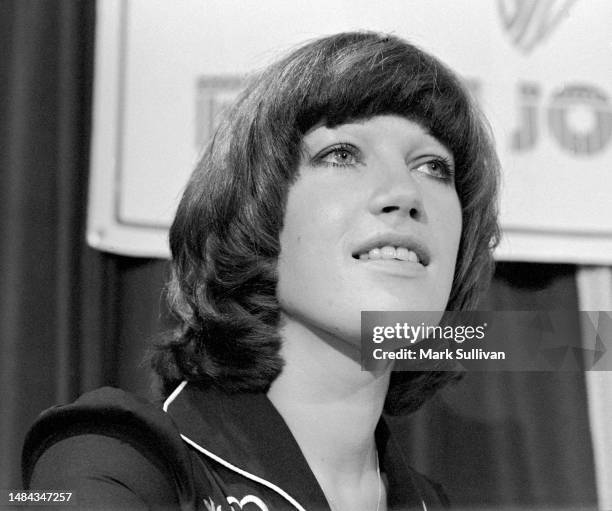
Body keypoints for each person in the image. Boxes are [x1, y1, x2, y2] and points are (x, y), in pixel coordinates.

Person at [22, 31, 500, 510]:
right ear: (256, 213)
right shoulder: (112, 459)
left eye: (434, 166)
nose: (405, 194)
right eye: (342, 154)